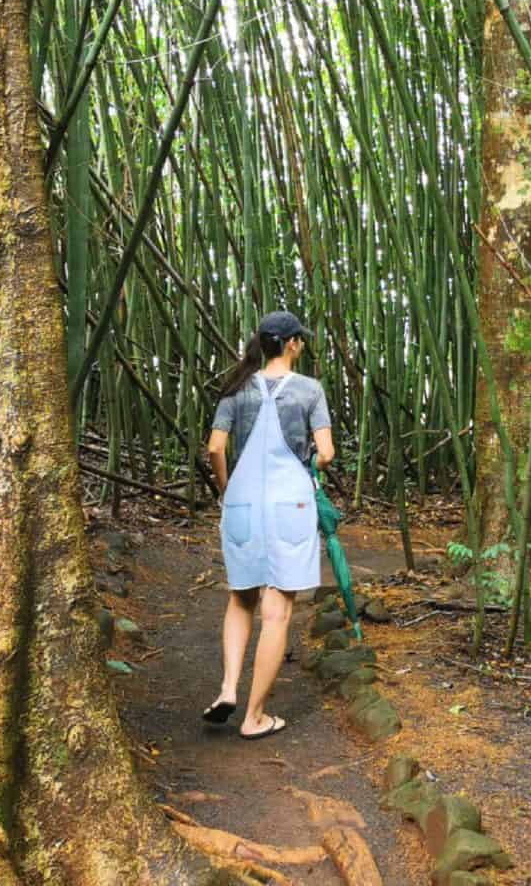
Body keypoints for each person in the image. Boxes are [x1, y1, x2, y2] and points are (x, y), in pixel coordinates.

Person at [202, 309, 335, 739]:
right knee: (276, 613)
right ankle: (255, 716)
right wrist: (313, 463)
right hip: (289, 504)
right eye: (302, 340)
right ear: (293, 343)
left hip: (242, 501)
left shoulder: (237, 388)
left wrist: (226, 489)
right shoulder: (310, 390)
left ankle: (227, 688)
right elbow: (326, 452)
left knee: (240, 598)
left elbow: (216, 447)